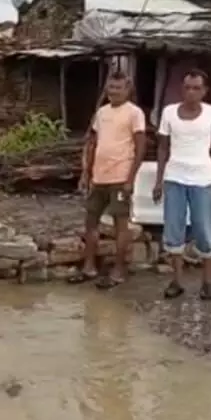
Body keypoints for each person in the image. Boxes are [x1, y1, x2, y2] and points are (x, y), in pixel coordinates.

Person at [152, 69, 211, 301]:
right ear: (181, 89)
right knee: (173, 231)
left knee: (204, 232)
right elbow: (163, 148)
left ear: (205, 91)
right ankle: (176, 281)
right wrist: (158, 180)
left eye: (196, 88)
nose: (191, 92)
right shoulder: (169, 113)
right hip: (174, 178)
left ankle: (208, 282)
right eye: (187, 87)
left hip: (202, 180)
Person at [70, 72, 146, 288]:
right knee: (90, 221)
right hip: (99, 177)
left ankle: (119, 271)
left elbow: (140, 146)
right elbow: (93, 144)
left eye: (118, 88)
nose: (113, 92)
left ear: (127, 89)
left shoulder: (134, 113)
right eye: (110, 88)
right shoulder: (101, 113)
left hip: (121, 177)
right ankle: (89, 267)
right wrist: (87, 173)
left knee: (120, 225)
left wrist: (131, 178)